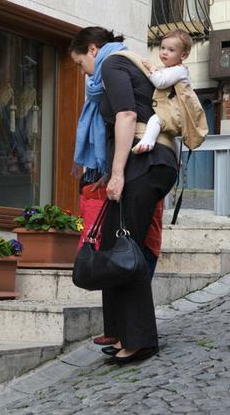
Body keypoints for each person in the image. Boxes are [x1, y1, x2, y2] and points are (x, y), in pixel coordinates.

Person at [70, 26, 178, 364]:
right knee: (111, 245)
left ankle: (140, 339)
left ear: (91, 49)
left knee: (126, 243)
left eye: (78, 63)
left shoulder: (112, 63)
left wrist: (117, 172)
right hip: (144, 162)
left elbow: (127, 115)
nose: (81, 70)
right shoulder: (124, 64)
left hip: (144, 161)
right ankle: (120, 332)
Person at [132, 29, 192, 154]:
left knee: (156, 120)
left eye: (171, 50)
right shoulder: (171, 69)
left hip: (177, 112)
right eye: (162, 47)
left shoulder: (179, 71)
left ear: (183, 56)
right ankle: (175, 156)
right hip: (173, 110)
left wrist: (152, 68)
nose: (164, 52)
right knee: (168, 136)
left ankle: (147, 143)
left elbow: (160, 82)